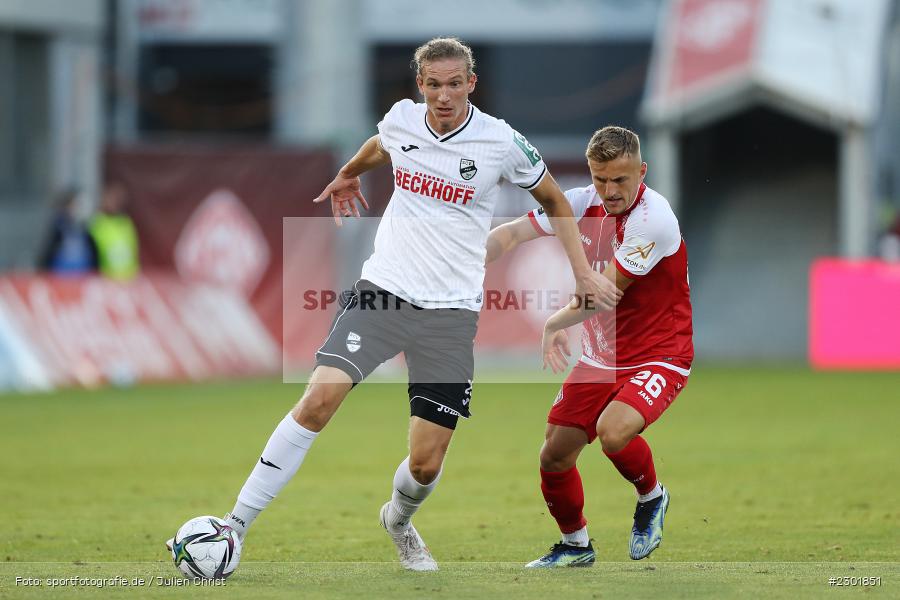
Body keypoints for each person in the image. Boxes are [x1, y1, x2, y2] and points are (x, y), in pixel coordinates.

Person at [168, 37, 619, 571]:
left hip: (451, 315)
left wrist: (581, 269)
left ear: (471, 83)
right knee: (317, 400)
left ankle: (399, 521)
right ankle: (234, 527)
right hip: (383, 291)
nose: (444, 95)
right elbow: (382, 145)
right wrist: (350, 172)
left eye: (455, 84)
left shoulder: (500, 142)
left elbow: (555, 201)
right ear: (420, 85)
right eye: (434, 84)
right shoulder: (403, 120)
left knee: (426, 465)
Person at [485, 126, 693, 567]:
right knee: (554, 455)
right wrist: (466, 257)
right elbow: (511, 234)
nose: (609, 190)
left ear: (642, 171)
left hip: (661, 353)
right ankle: (575, 545)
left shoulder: (653, 219)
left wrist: (554, 323)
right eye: (600, 179)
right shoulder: (581, 202)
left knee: (613, 432)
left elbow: (602, 294)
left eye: (620, 179)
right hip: (602, 355)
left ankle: (651, 497)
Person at [38, 188, 98, 275]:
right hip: (60, 280)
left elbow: (93, 258)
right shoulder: (58, 231)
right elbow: (47, 256)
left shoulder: (86, 232)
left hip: (83, 280)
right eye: (74, 205)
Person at [89, 181, 140, 280]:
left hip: (127, 279)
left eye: (118, 199)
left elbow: (133, 251)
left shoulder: (126, 223)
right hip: (105, 279)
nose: (114, 203)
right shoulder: (97, 223)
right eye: (111, 199)